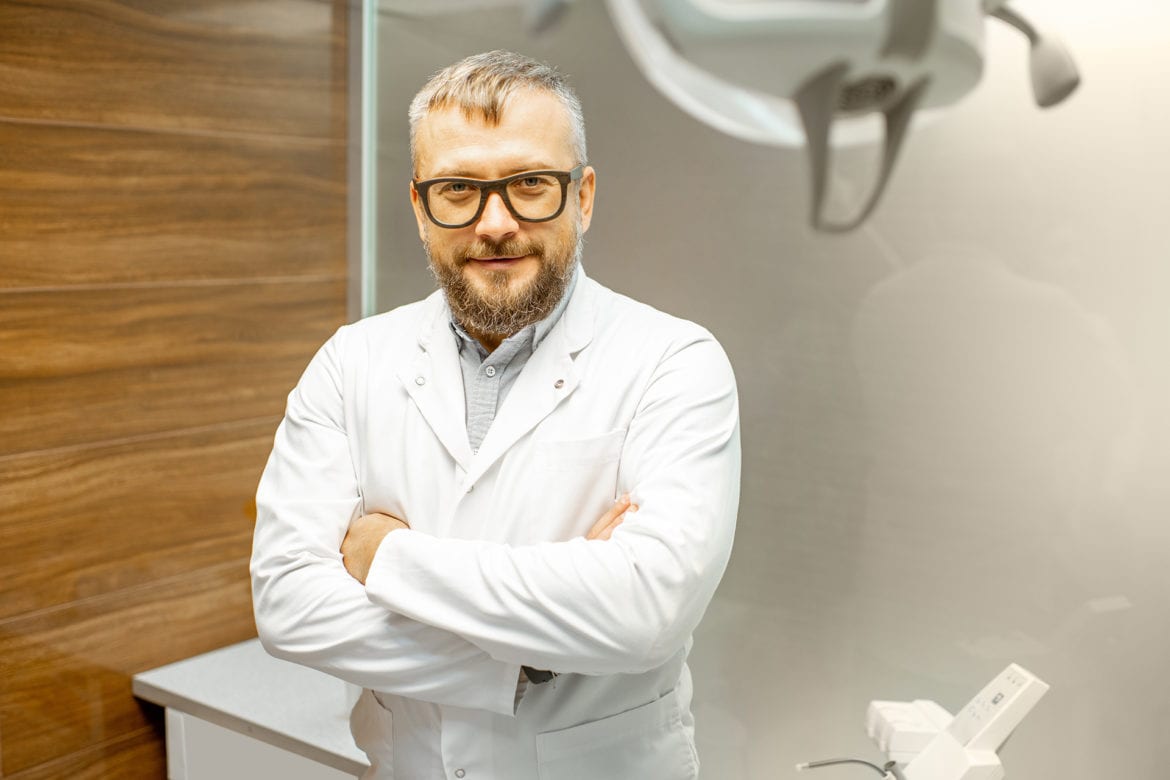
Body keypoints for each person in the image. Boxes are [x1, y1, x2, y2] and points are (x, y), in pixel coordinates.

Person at [251, 50, 740, 780]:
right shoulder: (351, 363)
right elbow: (288, 606)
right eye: (458, 189)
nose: (496, 223)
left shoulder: (674, 362)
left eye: (531, 183)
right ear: (419, 208)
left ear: (583, 197)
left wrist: (384, 556)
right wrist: (532, 659)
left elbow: (646, 612)